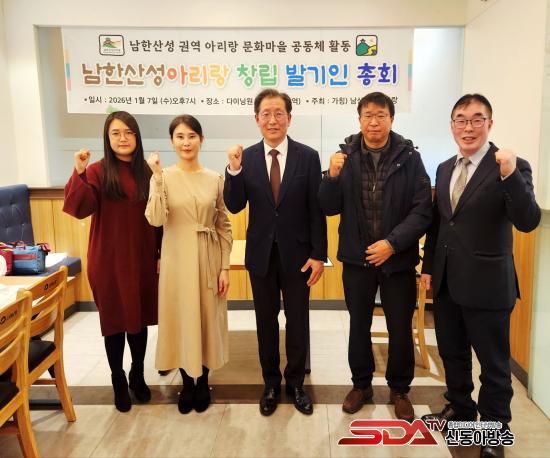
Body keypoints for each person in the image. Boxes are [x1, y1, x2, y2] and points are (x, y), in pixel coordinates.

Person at [420, 94, 540, 458]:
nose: (468, 127)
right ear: (452, 125)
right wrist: (428, 269)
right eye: (461, 119)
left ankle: (493, 428)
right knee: (452, 354)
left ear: (490, 124)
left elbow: (528, 220)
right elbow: (440, 224)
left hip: (488, 285)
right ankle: (460, 409)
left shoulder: (509, 166)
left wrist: (509, 174)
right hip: (447, 282)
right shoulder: (445, 168)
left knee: (493, 365)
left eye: (476, 119)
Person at [318, 91, 432, 421]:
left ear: (391, 120)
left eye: (381, 115)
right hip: (357, 260)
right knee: (358, 325)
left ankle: (400, 390)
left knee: (400, 327)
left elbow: (422, 210)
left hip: (397, 259)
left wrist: (392, 244)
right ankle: (361, 385)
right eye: (368, 115)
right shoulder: (345, 157)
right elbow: (328, 207)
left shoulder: (410, 158)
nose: (374, 122)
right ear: (359, 119)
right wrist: (331, 177)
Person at [224, 89, 327, 416]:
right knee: (265, 322)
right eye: (266, 114)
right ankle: (270, 383)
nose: (272, 120)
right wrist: (234, 170)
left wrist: (319, 254)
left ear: (289, 118)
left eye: (279, 113)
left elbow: (316, 209)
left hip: (299, 256)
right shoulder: (246, 158)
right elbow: (235, 205)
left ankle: (296, 384)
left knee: (297, 321)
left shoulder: (308, 157)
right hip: (262, 255)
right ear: (257, 119)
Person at [63, 111, 160, 412]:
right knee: (115, 322)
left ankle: (137, 374)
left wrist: (160, 254)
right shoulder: (96, 171)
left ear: (137, 137)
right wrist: (78, 171)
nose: (123, 138)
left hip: (142, 258)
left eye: (129, 132)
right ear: (107, 138)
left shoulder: (147, 171)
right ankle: (118, 378)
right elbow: (79, 207)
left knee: (139, 320)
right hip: (108, 260)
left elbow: (160, 218)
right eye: (116, 133)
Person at [145, 115, 232, 414]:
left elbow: (223, 225)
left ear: (201, 140)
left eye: (192, 136)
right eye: (180, 137)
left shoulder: (214, 178)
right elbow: (155, 219)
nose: (186, 142)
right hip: (176, 261)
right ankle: (187, 383)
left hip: (208, 258)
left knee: (206, 318)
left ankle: (203, 381)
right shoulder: (162, 177)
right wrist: (157, 178)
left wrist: (224, 267)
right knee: (181, 319)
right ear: (172, 141)